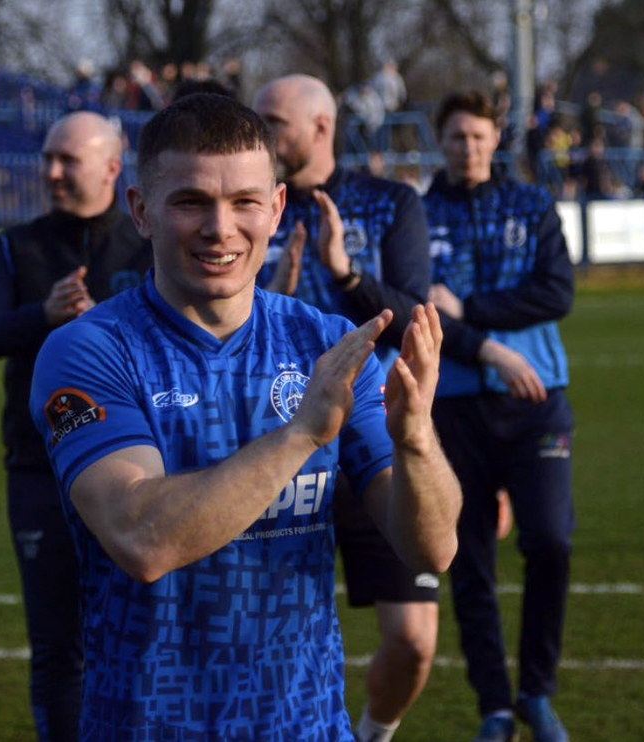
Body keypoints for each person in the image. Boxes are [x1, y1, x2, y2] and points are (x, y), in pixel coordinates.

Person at [27, 92, 461, 742]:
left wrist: (416, 440)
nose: (220, 228)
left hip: (308, 728)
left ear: (277, 208)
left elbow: (432, 548)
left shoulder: (327, 344)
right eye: (190, 202)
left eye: (244, 202)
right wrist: (302, 435)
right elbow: (141, 538)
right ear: (141, 211)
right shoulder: (90, 350)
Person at [252, 72, 439, 742]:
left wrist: (347, 275)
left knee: (413, 640)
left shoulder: (389, 203)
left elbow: (415, 318)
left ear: (322, 127)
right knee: (256, 638)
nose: (262, 133)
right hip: (271, 441)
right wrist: (268, 295)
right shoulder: (250, 206)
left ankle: (373, 735)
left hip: (367, 435)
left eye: (275, 123)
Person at [0, 111, 152, 742]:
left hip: (144, 472)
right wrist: (42, 315)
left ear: (113, 168)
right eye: (48, 159)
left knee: (149, 635)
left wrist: (106, 323)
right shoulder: (17, 247)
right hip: (40, 471)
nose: (52, 172)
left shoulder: (148, 246)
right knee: (58, 646)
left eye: (68, 160)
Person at [422, 90, 575, 742]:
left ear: (496, 138)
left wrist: (473, 312)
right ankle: (494, 706)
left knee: (551, 541)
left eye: (480, 136)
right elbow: (420, 306)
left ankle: (537, 691)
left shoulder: (532, 204)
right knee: (471, 562)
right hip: (455, 407)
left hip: (536, 399)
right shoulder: (419, 215)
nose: (469, 148)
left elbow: (556, 292)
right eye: (458, 137)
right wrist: (466, 332)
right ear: (440, 141)